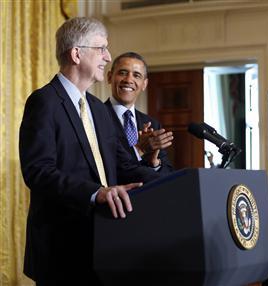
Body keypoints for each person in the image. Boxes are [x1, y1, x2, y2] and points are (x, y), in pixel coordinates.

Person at [19, 17, 161, 285]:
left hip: (104, 245)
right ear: (76, 53)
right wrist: (96, 193)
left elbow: (122, 165)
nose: (108, 57)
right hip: (61, 250)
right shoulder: (44, 102)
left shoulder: (97, 107)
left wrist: (179, 179)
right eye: (101, 49)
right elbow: (38, 171)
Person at [105, 52, 173, 173]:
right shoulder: (95, 115)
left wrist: (154, 163)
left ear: (144, 84)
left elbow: (167, 171)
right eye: (122, 73)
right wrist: (139, 150)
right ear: (110, 77)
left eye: (136, 75)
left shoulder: (152, 124)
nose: (128, 80)